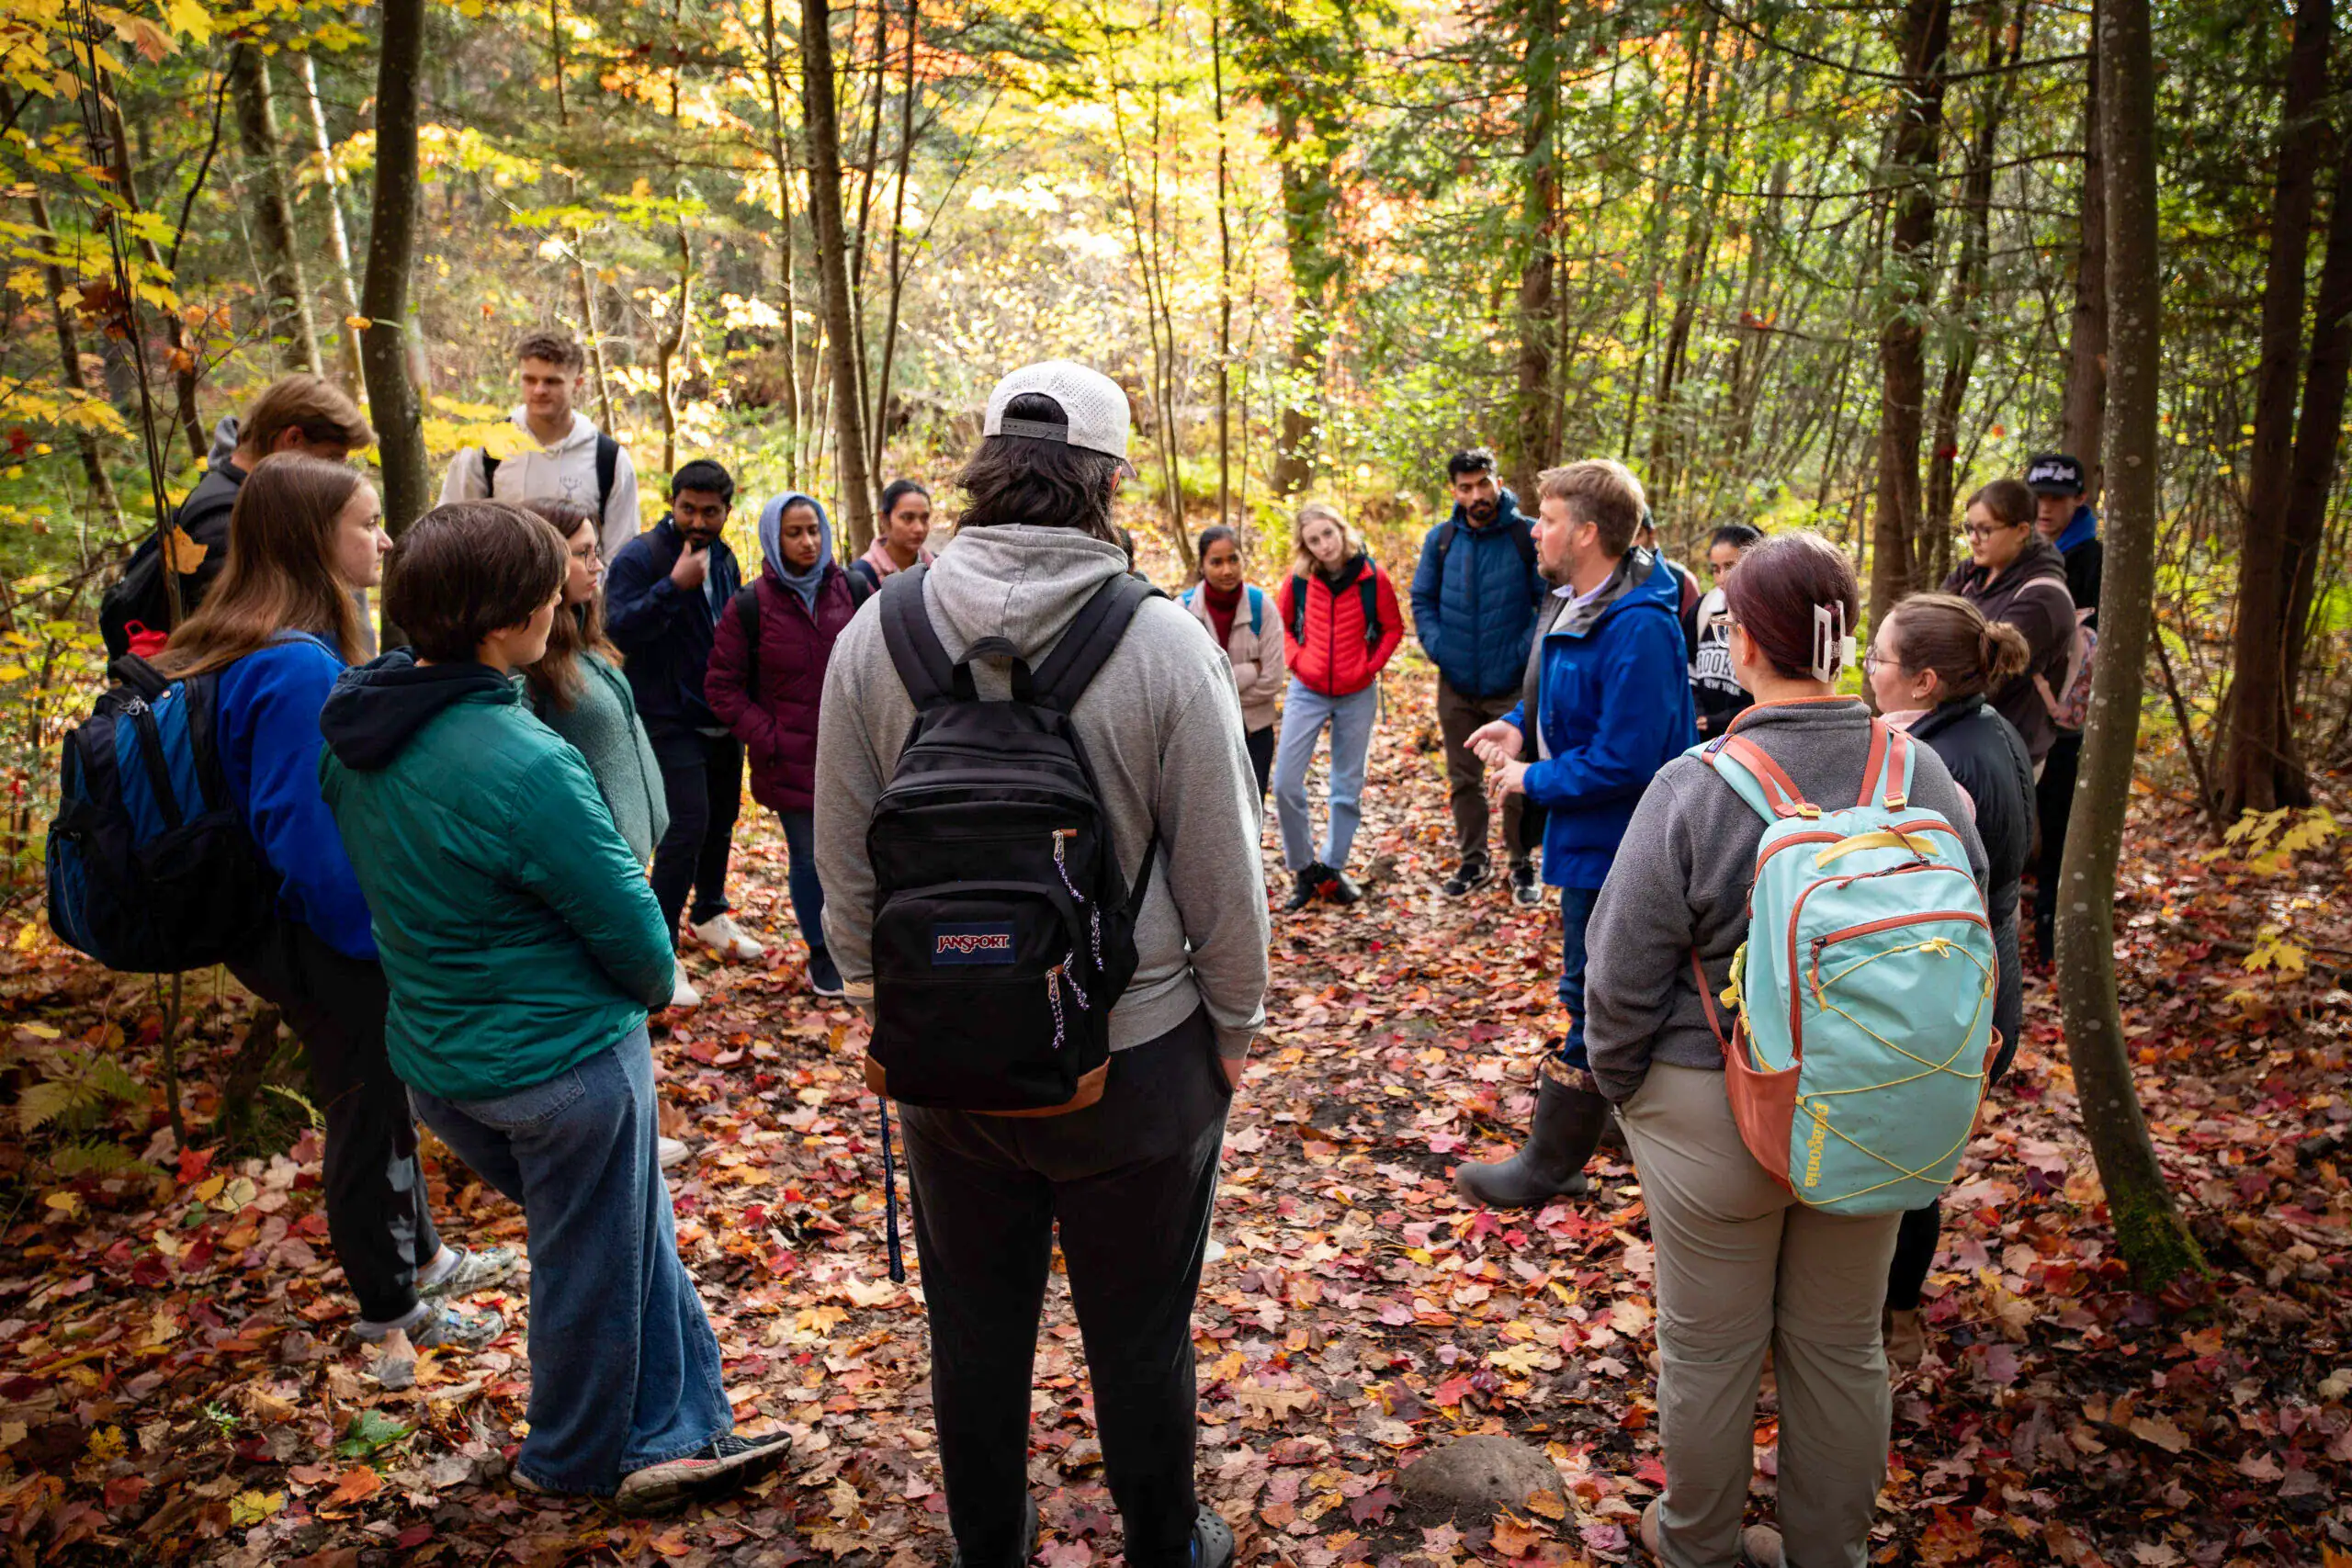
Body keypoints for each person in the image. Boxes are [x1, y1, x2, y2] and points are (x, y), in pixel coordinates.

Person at [813, 361, 1268, 1568]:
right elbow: (1224, 863)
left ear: (977, 471)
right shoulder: (1165, 644)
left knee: (972, 1329)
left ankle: (989, 1542)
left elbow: (841, 848)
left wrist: (880, 998)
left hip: (945, 1058)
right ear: (1109, 483)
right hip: (1138, 1052)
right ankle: (1165, 1542)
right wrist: (1235, 1023)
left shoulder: (878, 631)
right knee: (1140, 1332)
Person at [319, 502, 786, 1511]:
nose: (558, 598)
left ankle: (682, 1429)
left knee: (623, 1234)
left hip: (442, 1059)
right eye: (543, 584)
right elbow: (634, 931)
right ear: (501, 620)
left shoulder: (358, 731)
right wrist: (655, 985)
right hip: (556, 1066)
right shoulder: (521, 758)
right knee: (591, 1257)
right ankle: (569, 1461)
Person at [1580, 532, 1988, 1568]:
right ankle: (1826, 1554)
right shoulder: (1923, 772)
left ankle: (1699, 1547)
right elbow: (1981, 938)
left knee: (1709, 1353)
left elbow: (1617, 978)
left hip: (1714, 1102)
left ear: (1747, 646)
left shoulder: (1696, 784)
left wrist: (1630, 1097)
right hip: (1876, 1103)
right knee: (1842, 1346)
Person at [153, 453, 512, 1351]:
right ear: (314, 540)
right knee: (363, 1108)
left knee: (380, 1095)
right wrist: (379, 940)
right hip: (313, 932)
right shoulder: (292, 667)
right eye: (364, 523)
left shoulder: (263, 642)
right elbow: (306, 844)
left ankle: (423, 1259)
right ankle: (392, 1314)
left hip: (287, 926)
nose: (383, 540)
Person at [1453, 459, 1694, 1209]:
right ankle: (1612, 1119)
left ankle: (1554, 1163)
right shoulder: (1574, 599)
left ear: (1588, 533)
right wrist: (1517, 724)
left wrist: (1533, 779)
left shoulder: (1641, 627)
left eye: (1550, 519)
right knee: (1592, 985)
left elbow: (1631, 756)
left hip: (1624, 845)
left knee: (1597, 993)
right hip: (1587, 839)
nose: (1535, 530)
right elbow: (1564, 699)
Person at [1865, 592, 2034, 1369]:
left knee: (1906, 1175)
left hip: (1954, 996)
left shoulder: (1940, 763)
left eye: (1879, 658)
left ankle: (1891, 1326)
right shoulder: (1983, 729)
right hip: (1985, 982)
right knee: (1912, 1167)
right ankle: (1889, 1319)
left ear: (1926, 680)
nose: (1866, 669)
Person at [605, 458, 757, 1008]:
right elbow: (617, 627)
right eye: (687, 508)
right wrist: (672, 587)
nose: (697, 520)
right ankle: (659, 950)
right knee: (685, 825)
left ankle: (710, 912)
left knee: (722, 818)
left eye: (709, 511)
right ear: (672, 504)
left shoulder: (725, 556)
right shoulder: (642, 557)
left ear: (726, 511)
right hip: (665, 715)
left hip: (719, 709)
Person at [704, 492, 858, 998]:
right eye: (794, 533)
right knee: (810, 857)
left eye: (813, 529)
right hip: (790, 760)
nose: (808, 541)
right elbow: (721, 687)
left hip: (852, 752)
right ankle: (821, 952)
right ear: (774, 537)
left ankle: (857, 945)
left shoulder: (854, 589)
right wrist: (769, 736)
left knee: (859, 852)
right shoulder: (750, 605)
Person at [102, 376, 377, 658]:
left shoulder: (251, 503)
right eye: (332, 459)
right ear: (292, 439)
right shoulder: (224, 524)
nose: (337, 475)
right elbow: (238, 654)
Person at [1408, 447, 1545, 904]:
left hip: (1510, 684)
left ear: (1498, 482)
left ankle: (1520, 863)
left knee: (1513, 777)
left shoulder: (1525, 536)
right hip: (1457, 683)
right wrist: (1441, 649)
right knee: (1463, 776)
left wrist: (1520, 655)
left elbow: (1546, 602)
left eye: (1483, 484)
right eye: (1466, 487)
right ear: (1455, 491)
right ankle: (1473, 859)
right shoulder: (1442, 539)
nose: (1477, 494)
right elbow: (1422, 599)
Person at [515, 501, 670, 867]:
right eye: (582, 553)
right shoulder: (527, 659)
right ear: (544, 561)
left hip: (627, 859)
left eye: (596, 551)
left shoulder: (584, 633)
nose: (597, 565)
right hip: (594, 864)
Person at [1272, 503, 1403, 910]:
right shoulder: (1298, 581)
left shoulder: (1371, 578)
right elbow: (1280, 627)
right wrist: (1297, 660)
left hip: (1356, 693)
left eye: (1328, 534)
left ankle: (1332, 867)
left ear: (1341, 531)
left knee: (1346, 788)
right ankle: (1303, 870)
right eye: (1314, 539)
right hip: (1307, 689)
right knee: (1286, 783)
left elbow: (1394, 627)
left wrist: (1368, 667)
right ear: (1305, 545)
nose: (1323, 545)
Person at [437, 330, 643, 559]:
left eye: (552, 381)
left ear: (578, 383)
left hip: (583, 592)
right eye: (530, 379)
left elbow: (621, 551)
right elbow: (450, 532)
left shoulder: (608, 459)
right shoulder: (486, 449)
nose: (539, 390)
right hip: (504, 590)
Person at [1939, 478, 2074, 770]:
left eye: (1985, 529)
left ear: (2021, 531)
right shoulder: (1972, 573)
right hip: (1960, 738)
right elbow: (1927, 626)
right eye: (1969, 528)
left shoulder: (2043, 599)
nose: (1973, 538)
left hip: (2006, 753)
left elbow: (1990, 673)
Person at [2025, 452, 2099, 963]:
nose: (2046, 508)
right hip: (2015, 716)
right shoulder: (2020, 552)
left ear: (2080, 499)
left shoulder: (2093, 560)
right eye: (2038, 497)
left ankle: (2054, 942)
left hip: (2067, 726)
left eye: (2056, 499)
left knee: (2058, 834)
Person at [1180, 525, 1286, 798]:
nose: (1227, 570)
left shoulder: (1262, 606)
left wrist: (1215, 691)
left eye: (1233, 559)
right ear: (1202, 565)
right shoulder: (1182, 610)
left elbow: (1273, 678)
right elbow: (1183, 686)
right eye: (1216, 562)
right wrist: (1252, 670)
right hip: (1203, 735)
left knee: (1252, 813)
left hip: (1255, 733)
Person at [1689, 523, 1764, 739]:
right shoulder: (1703, 608)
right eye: (1715, 568)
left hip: (1748, 739)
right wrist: (1697, 712)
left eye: (1730, 566)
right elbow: (1688, 666)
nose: (1721, 577)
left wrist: (1720, 720)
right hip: (1701, 739)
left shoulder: (1768, 616)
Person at [850, 479, 934, 592]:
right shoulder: (861, 576)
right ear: (884, 519)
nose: (919, 528)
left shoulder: (937, 567)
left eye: (924, 518)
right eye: (907, 518)